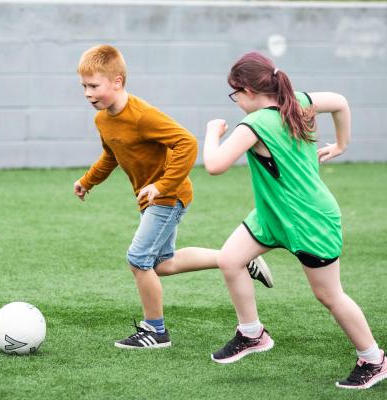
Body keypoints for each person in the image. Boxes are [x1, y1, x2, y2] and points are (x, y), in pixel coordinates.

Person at [203, 51, 387, 389]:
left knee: (329, 295)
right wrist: (341, 144)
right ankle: (252, 333)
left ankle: (374, 359)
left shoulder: (255, 124)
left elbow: (214, 165)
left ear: (248, 91)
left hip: (309, 219)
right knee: (230, 259)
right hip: (273, 214)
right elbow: (340, 102)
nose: (235, 102)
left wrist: (211, 132)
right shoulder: (300, 100)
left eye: (235, 95)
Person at [73, 45, 273, 350]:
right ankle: (237, 259)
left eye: (94, 86)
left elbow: (186, 143)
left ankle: (155, 331)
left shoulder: (142, 116)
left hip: (169, 196)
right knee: (162, 264)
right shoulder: (103, 120)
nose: (88, 93)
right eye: (84, 86)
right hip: (153, 199)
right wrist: (87, 181)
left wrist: (163, 185)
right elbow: (111, 155)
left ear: (117, 81)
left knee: (138, 259)